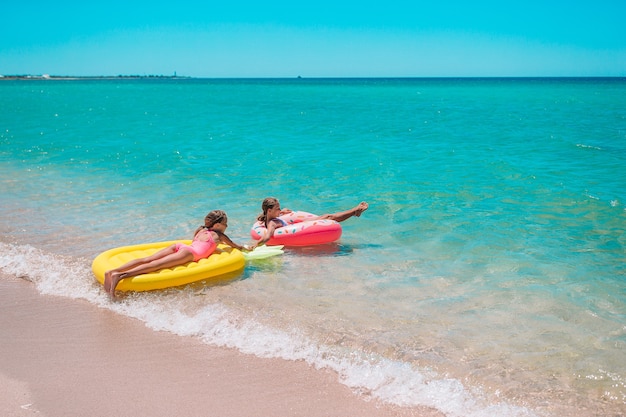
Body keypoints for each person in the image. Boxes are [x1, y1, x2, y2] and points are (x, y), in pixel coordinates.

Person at [104, 210, 251, 299]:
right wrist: (247, 248)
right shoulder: (219, 235)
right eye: (226, 224)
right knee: (155, 265)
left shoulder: (200, 230)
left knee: (147, 259)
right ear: (218, 225)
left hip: (181, 247)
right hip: (189, 253)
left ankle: (111, 271)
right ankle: (120, 275)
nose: (227, 227)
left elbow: (197, 242)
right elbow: (235, 246)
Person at [253, 197, 368, 247]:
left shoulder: (268, 218)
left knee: (328, 216)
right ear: (269, 210)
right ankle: (354, 211)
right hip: (298, 228)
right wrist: (254, 245)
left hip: (294, 225)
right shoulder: (272, 223)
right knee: (328, 217)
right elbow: (268, 236)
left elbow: (270, 220)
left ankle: (355, 212)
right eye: (278, 208)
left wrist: (281, 212)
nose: (280, 209)